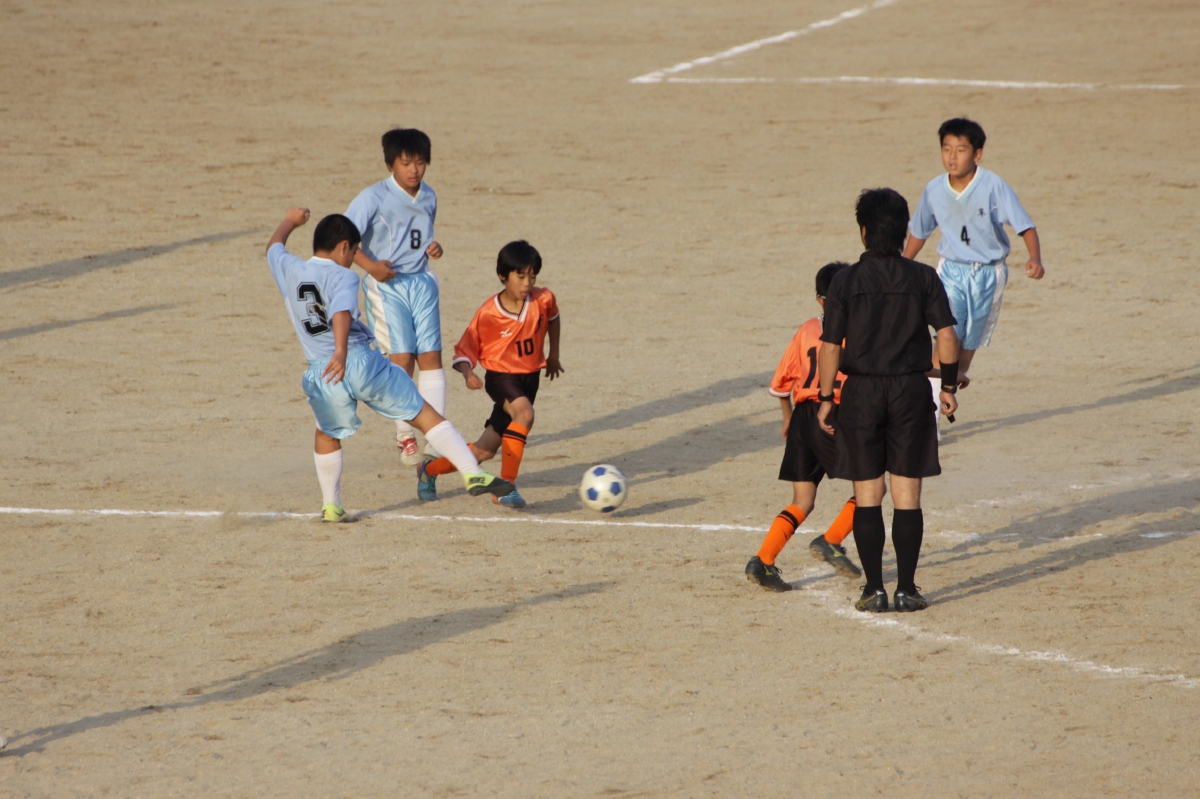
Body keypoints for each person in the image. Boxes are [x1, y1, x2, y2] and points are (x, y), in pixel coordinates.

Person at [265, 207, 514, 521]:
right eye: (353, 251)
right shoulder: (343, 275)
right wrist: (341, 351)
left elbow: (273, 246)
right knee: (423, 414)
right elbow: (341, 312)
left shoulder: (289, 269)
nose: (352, 258)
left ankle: (331, 506)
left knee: (327, 434)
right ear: (344, 247)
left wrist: (290, 221)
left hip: (322, 372)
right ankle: (472, 473)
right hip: (357, 362)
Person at [817, 189, 961, 612]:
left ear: (864, 232)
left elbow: (830, 347)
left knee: (867, 495)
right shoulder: (923, 278)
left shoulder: (845, 281)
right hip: (909, 392)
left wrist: (825, 398)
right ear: (903, 232)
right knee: (907, 496)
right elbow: (947, 335)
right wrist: (948, 387)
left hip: (861, 392)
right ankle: (907, 589)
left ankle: (874, 590)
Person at [418, 241, 563, 508]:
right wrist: (467, 373)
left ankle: (428, 470)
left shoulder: (543, 299)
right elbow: (464, 349)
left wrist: (553, 355)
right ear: (502, 275)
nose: (527, 283)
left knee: (482, 451)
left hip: (529, 380)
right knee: (525, 414)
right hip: (500, 377)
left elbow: (553, 318)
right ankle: (506, 487)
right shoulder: (488, 313)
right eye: (521, 276)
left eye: (532, 276)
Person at [745, 262, 862, 592]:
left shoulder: (807, 328)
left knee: (802, 500)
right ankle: (831, 539)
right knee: (871, 488)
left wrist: (788, 418)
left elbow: (780, 385)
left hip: (801, 417)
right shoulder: (856, 329)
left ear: (819, 299)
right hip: (832, 414)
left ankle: (763, 560)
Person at [904, 117, 1043, 386]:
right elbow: (920, 231)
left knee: (966, 352)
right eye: (946, 149)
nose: (952, 157)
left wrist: (1035, 258)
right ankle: (932, 406)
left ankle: (946, 391)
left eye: (960, 150)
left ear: (977, 154)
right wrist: (902, 264)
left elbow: (1025, 225)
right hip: (951, 271)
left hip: (989, 275)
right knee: (947, 335)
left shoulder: (993, 186)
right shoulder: (934, 190)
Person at [345, 128, 446, 466]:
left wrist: (434, 248)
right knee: (402, 360)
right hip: (388, 286)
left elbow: (420, 237)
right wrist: (371, 267)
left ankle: (436, 436)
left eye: (420, 162)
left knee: (431, 356)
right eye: (406, 163)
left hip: (422, 282)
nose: (414, 170)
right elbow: (344, 239)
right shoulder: (372, 197)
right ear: (390, 164)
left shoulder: (429, 196)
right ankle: (405, 437)